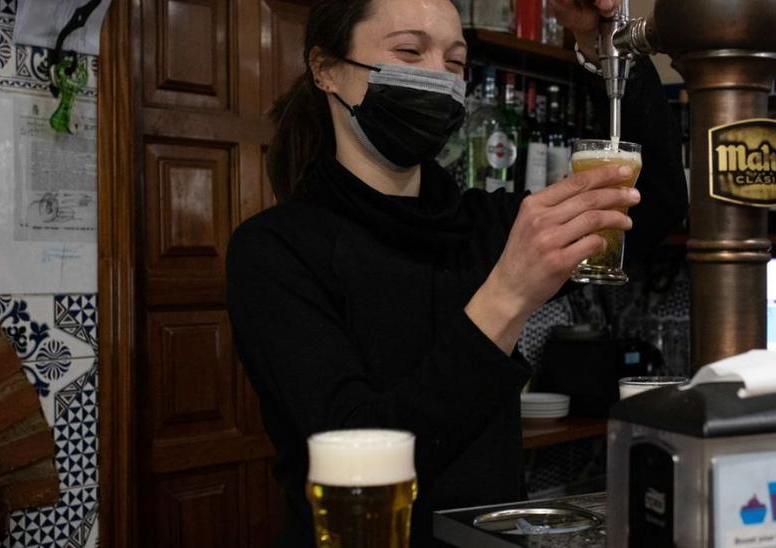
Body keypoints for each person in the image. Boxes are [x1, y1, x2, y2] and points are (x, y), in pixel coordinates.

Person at [224, 0, 686, 545]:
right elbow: (358, 446)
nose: (437, 79)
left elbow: (651, 202)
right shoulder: (275, 251)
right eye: (409, 52)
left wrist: (600, 41)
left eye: (455, 62)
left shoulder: (485, 226)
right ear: (326, 68)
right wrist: (507, 295)